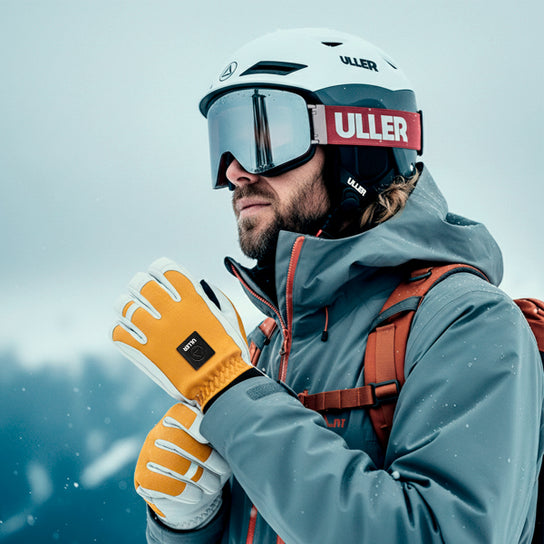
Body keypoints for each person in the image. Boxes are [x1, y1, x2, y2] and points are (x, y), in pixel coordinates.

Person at [112, 28, 544, 543]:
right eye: (222, 144)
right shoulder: (268, 344)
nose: (234, 171)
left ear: (359, 143)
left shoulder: (466, 321)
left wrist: (229, 393)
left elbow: (440, 534)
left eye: (264, 135)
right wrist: (188, 522)